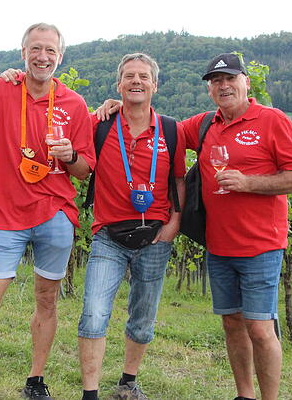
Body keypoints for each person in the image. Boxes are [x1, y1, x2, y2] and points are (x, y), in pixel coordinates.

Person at [97, 52, 292, 400]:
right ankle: (245, 395)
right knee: (232, 324)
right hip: (219, 245)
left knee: (260, 327)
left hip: (262, 245)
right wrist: (122, 105)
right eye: (216, 81)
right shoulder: (204, 124)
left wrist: (249, 183)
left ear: (246, 82)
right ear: (210, 89)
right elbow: (155, 127)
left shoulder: (272, 120)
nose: (223, 86)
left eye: (230, 79)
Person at [0, 23, 95, 400]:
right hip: (6, 218)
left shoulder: (74, 104)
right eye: (36, 49)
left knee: (47, 299)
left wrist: (70, 156)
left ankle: (35, 379)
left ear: (60, 57)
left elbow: (85, 169)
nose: (43, 57)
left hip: (56, 215)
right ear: (22, 52)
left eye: (51, 51)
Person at [78, 53, 186, 400]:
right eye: (129, 76)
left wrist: (173, 225)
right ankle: (90, 393)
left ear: (155, 85)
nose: (136, 81)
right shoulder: (101, 125)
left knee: (142, 320)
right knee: (94, 315)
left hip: (155, 236)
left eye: (143, 76)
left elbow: (180, 180)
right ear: (119, 85)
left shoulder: (172, 129)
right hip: (108, 236)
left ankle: (128, 382)